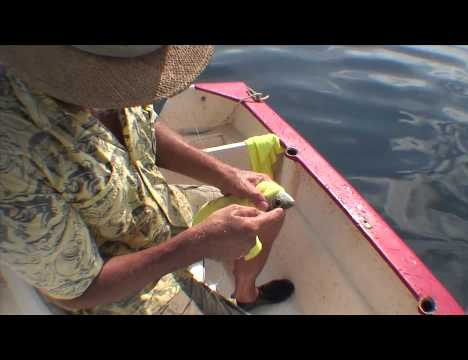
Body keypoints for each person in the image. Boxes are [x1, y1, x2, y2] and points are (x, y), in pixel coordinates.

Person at [0, 45, 294, 315]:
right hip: (112, 287)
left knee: (270, 202)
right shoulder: (10, 158)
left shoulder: (114, 68)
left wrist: (226, 175)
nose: (143, 92)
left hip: (159, 210)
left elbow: (144, 126)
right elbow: (77, 292)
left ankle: (246, 294)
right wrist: (199, 244)